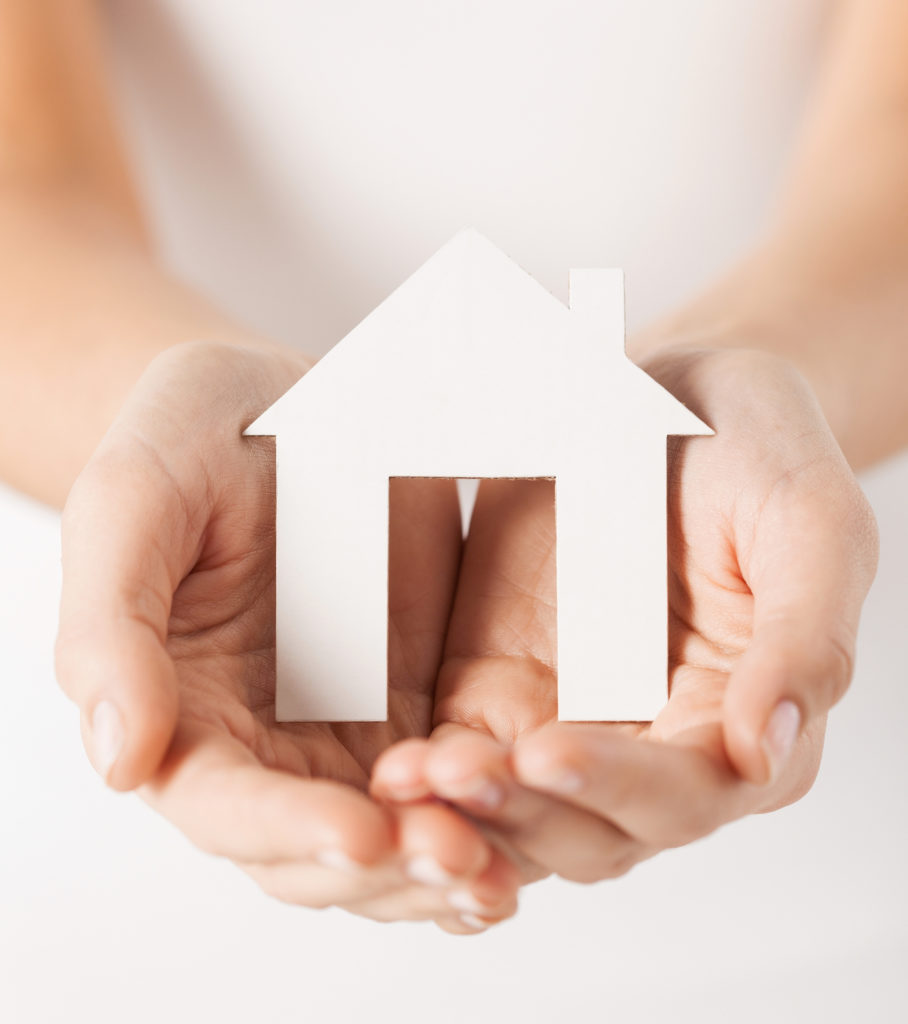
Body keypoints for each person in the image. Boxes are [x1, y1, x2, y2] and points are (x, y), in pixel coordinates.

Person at [1, 0, 902, 933]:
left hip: (828, 851)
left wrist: (728, 378)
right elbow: (17, 184)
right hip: (99, 864)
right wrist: (163, 420)